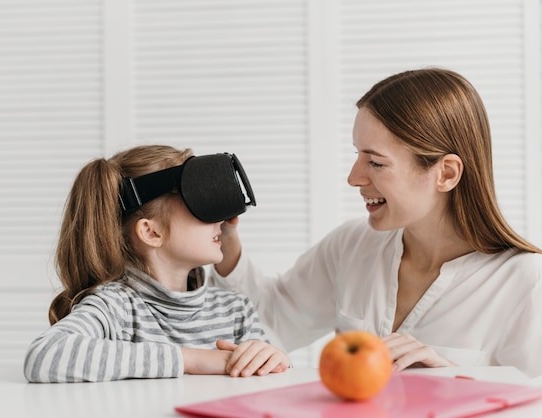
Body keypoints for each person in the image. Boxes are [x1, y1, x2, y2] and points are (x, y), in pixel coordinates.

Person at [212, 68, 542, 378]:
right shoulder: (352, 246)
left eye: (375, 162)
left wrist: (451, 379)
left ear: (446, 173)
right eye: (357, 156)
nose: (354, 178)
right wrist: (224, 243)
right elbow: (273, 320)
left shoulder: (526, 283)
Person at [23, 145, 290, 383]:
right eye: (200, 202)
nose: (220, 217)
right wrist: (194, 360)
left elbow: (272, 383)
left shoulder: (234, 310)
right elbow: (45, 355)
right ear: (151, 232)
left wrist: (276, 360)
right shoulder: (117, 308)